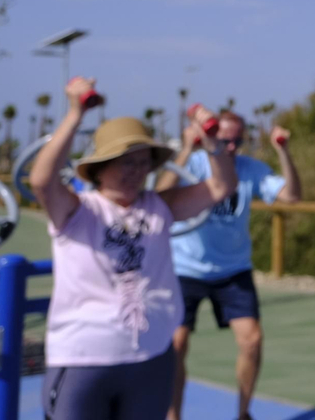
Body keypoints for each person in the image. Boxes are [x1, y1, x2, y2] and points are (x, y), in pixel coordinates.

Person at [30, 76, 234, 420]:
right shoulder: (78, 210)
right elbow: (41, 180)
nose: (137, 171)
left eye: (143, 162)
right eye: (127, 161)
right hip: (84, 358)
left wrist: (212, 142)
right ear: (101, 167)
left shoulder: (160, 206)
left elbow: (222, 186)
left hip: (151, 358)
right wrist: (75, 114)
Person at [161, 108, 302, 420]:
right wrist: (186, 148)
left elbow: (292, 196)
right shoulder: (196, 163)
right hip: (185, 268)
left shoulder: (252, 169)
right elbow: (161, 194)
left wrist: (283, 151)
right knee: (176, 343)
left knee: (252, 340)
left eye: (237, 141)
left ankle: (243, 413)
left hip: (232, 269)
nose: (231, 147)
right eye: (224, 139)